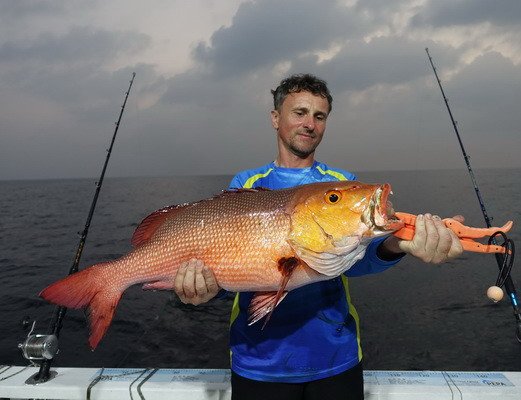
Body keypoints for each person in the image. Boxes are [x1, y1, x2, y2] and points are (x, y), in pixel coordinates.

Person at [173, 74, 463, 400]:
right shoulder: (246, 183)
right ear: (275, 118)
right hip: (258, 361)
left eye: (319, 116)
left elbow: (356, 260)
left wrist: (400, 244)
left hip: (335, 358)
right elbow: (234, 271)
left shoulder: (343, 182)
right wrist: (206, 290)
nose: (309, 123)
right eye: (299, 112)